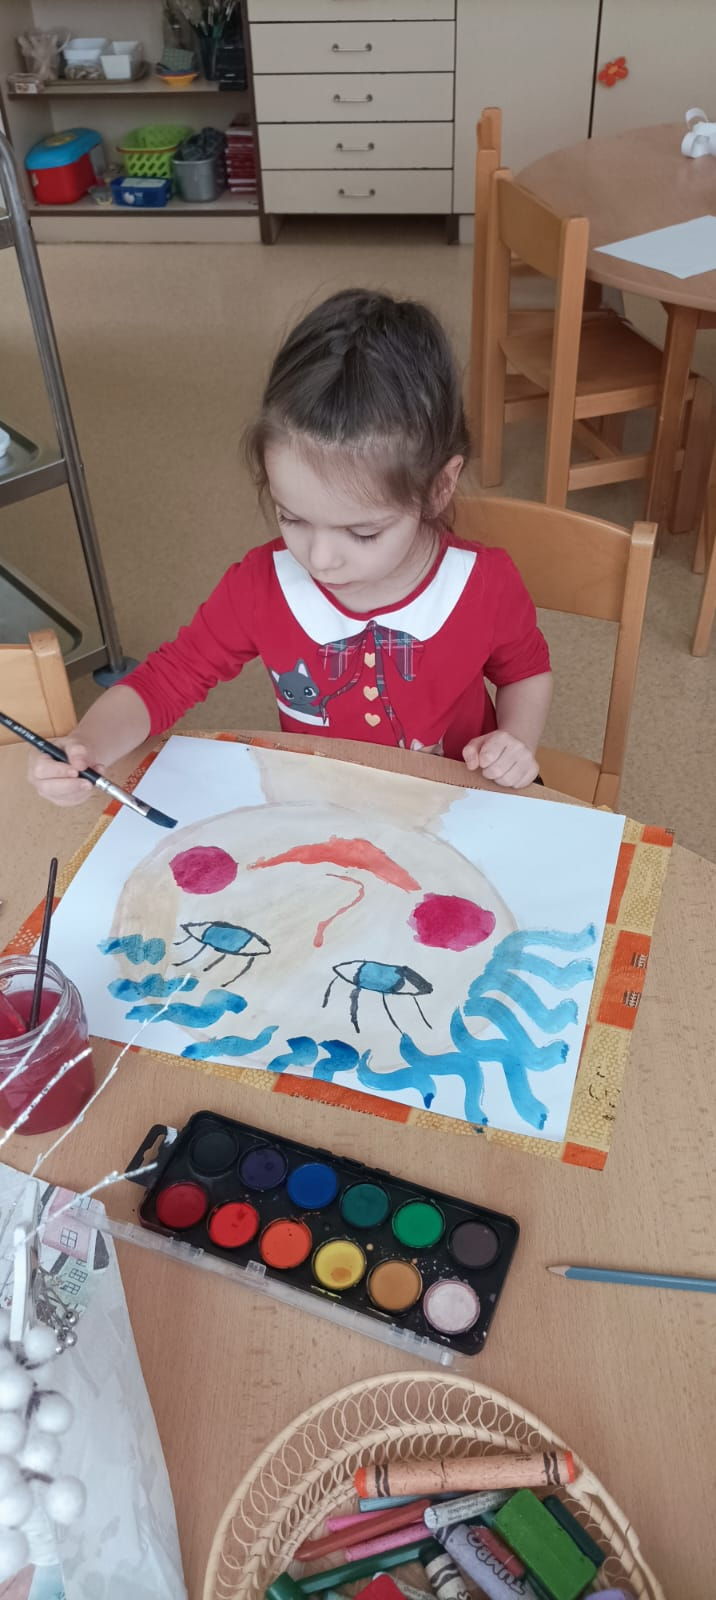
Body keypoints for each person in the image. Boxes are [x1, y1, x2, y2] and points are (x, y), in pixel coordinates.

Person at [28, 289, 552, 806]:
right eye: (292, 518)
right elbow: (167, 680)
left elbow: (525, 672)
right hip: (322, 808)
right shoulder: (260, 585)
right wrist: (88, 745)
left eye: (362, 533)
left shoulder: (485, 583)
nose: (320, 559)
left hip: (458, 806)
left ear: (439, 488)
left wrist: (516, 741)